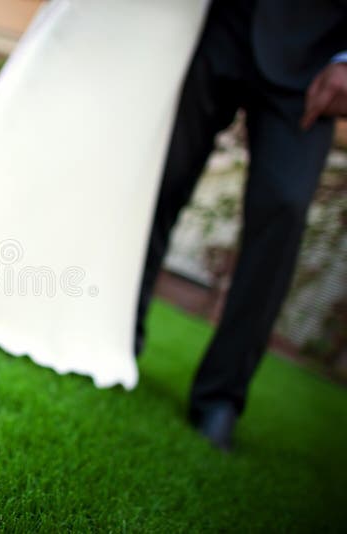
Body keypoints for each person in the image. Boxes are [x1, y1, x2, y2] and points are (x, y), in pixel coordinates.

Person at [135, 0, 347, 451]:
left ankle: (221, 398)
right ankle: (119, 336)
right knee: (163, 180)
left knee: (284, 210)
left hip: (312, 56)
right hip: (217, 25)